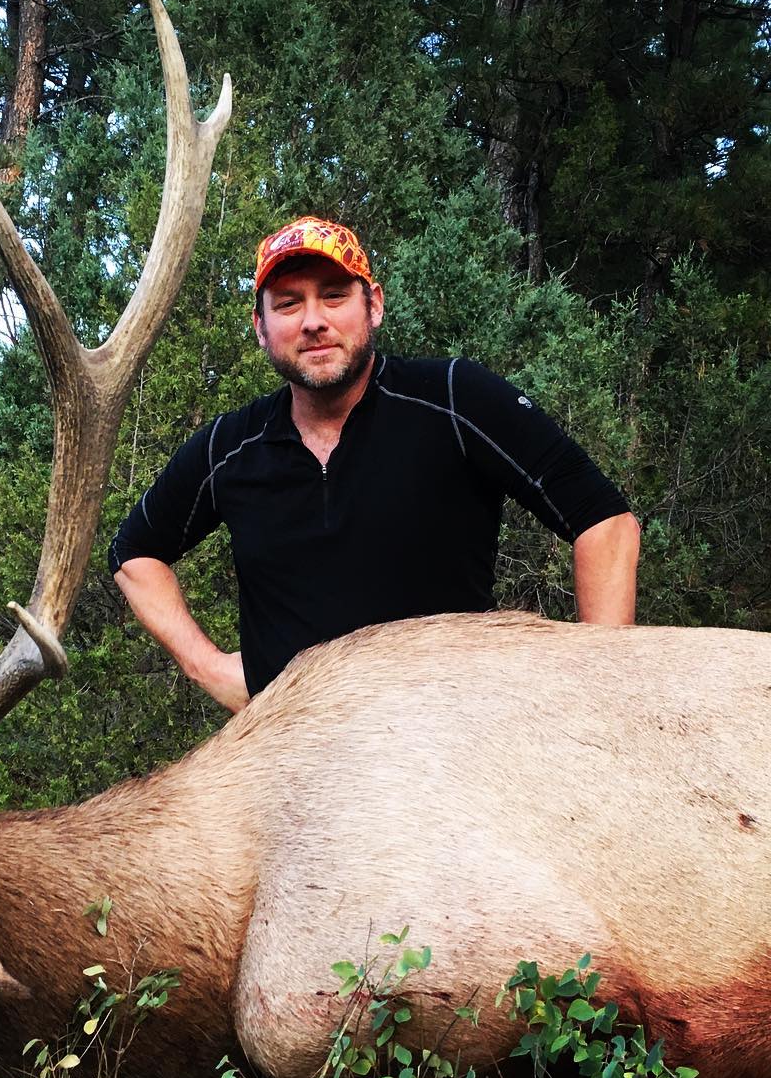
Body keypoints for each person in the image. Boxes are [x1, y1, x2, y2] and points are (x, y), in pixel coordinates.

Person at [108, 215, 641, 712]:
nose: (313, 321)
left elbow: (605, 523)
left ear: (374, 305)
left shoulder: (453, 399)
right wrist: (209, 667)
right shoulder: (229, 447)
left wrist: (602, 695)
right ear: (261, 327)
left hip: (455, 744)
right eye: (288, 304)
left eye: (334, 296)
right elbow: (133, 554)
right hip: (292, 756)